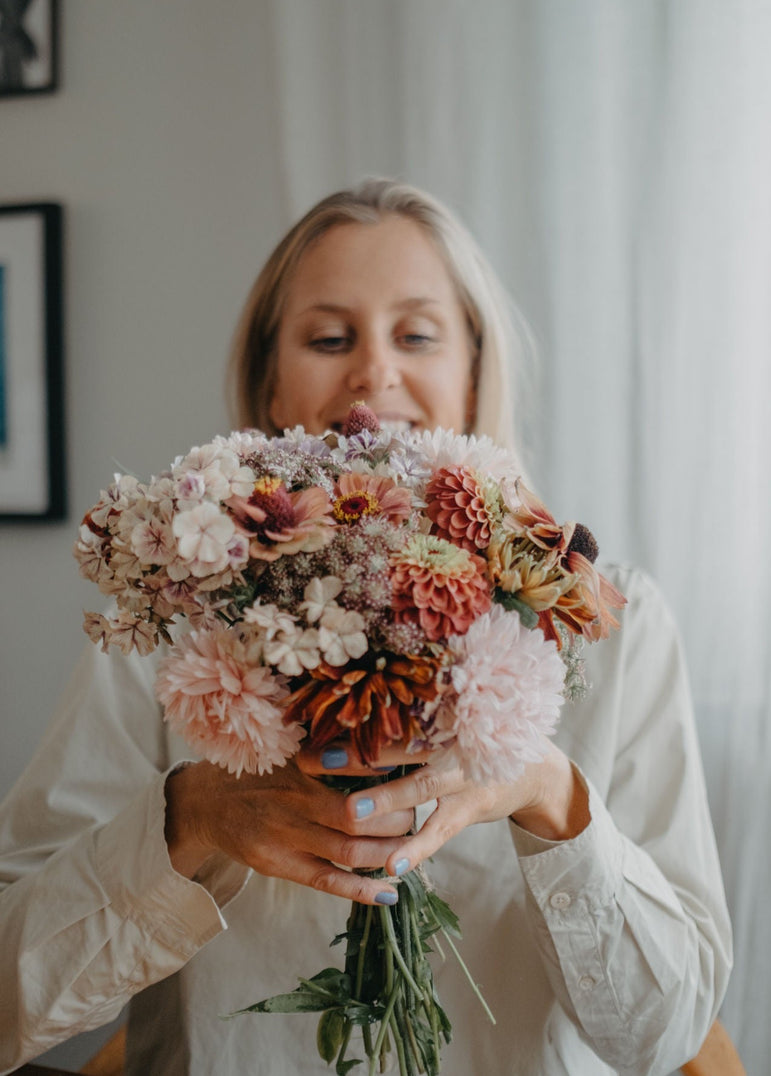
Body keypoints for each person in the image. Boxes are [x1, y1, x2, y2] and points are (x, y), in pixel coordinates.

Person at [0, 178, 732, 1075]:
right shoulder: (168, 620)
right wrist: (184, 824)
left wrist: (546, 795)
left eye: (417, 334)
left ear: (474, 367)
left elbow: (667, 1034)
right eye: (329, 337)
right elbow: (10, 1004)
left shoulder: (618, 624)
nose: (374, 373)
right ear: (271, 380)